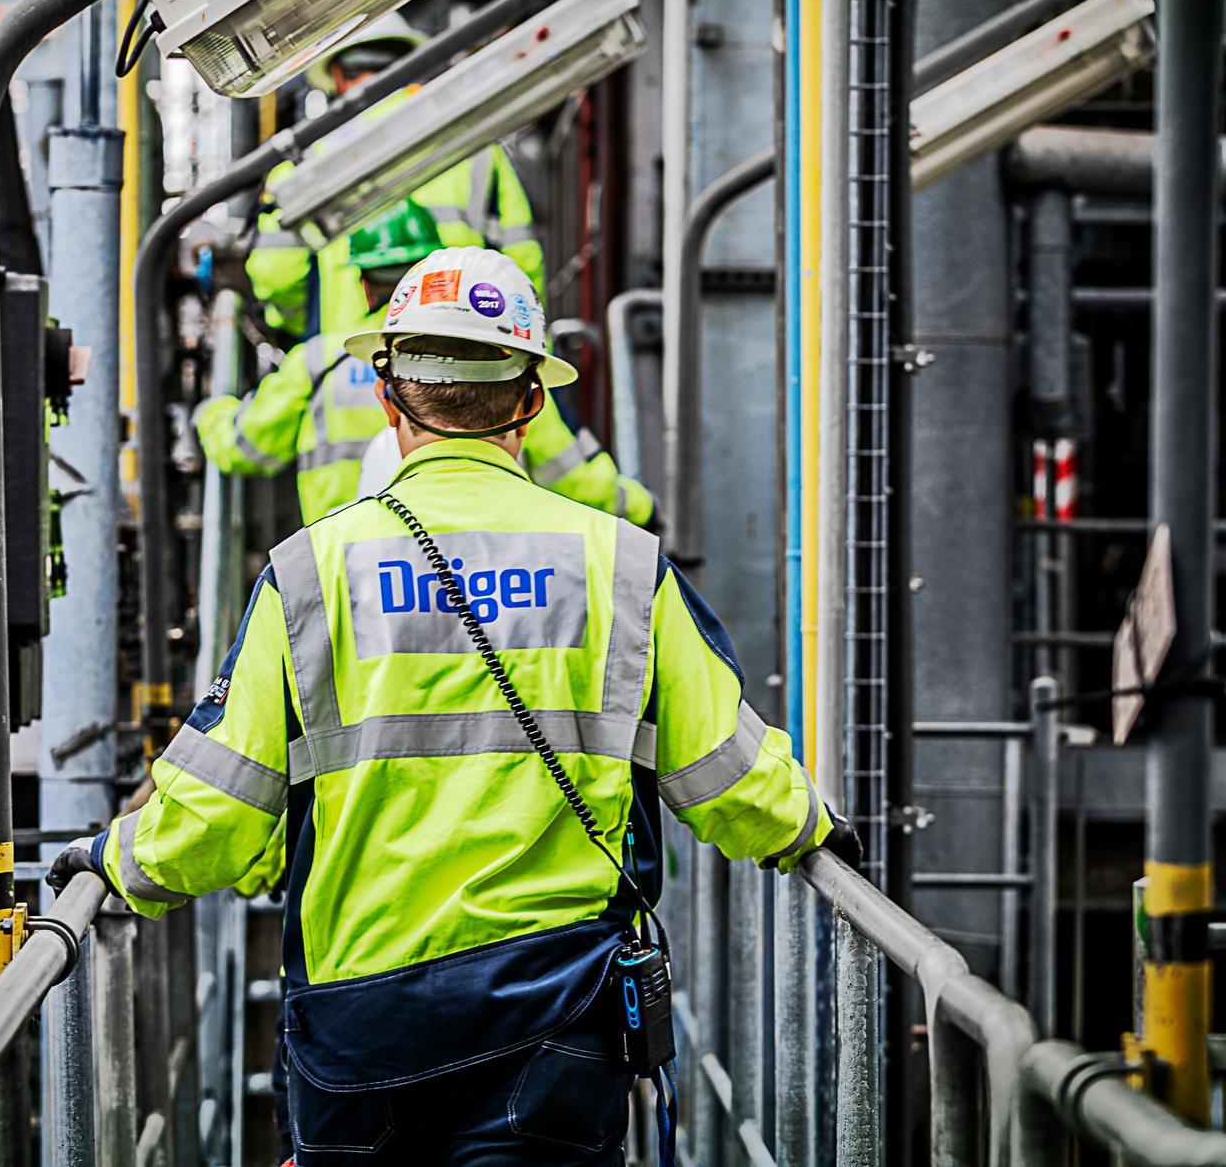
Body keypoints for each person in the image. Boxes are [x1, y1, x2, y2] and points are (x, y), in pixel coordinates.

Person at [53, 247, 860, 1166]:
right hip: (555, 1011)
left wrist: (115, 860)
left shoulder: (309, 573)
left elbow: (221, 815)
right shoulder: (623, 566)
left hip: (359, 1025)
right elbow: (727, 772)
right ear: (530, 402)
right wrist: (811, 829)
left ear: (388, 399)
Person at [196, 201, 656, 527]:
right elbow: (572, 477)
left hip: (344, 571)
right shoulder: (498, 361)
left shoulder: (316, 362)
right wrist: (637, 507)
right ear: (530, 406)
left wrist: (210, 411)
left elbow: (245, 447)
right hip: (480, 576)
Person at [246, 13, 545, 343]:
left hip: (349, 357)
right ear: (411, 65)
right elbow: (523, 266)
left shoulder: (303, 164)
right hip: (464, 352)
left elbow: (277, 276)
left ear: (337, 74)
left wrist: (314, 335)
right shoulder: (476, 149)